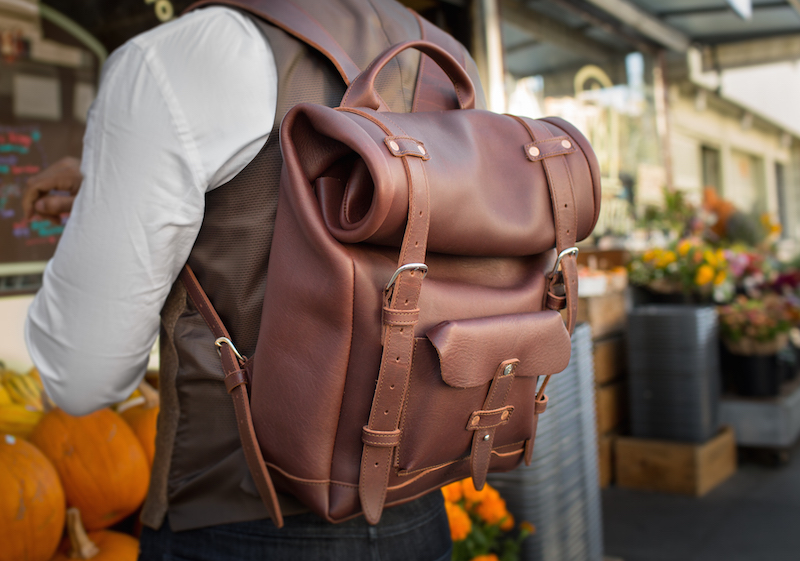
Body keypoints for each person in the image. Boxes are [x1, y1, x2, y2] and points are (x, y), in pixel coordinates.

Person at [23, 1, 486, 559]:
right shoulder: (445, 61)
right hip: (419, 510)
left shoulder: (179, 56)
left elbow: (82, 378)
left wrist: (110, 198)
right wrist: (114, 184)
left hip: (240, 521)